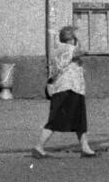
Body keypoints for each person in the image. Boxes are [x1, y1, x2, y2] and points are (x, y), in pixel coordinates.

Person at [33, 25, 96, 158]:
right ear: (71, 38)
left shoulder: (59, 49)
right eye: (75, 37)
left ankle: (85, 147)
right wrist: (80, 38)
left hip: (69, 88)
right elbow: (84, 50)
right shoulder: (68, 48)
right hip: (68, 88)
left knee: (79, 120)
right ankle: (39, 146)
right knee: (56, 120)